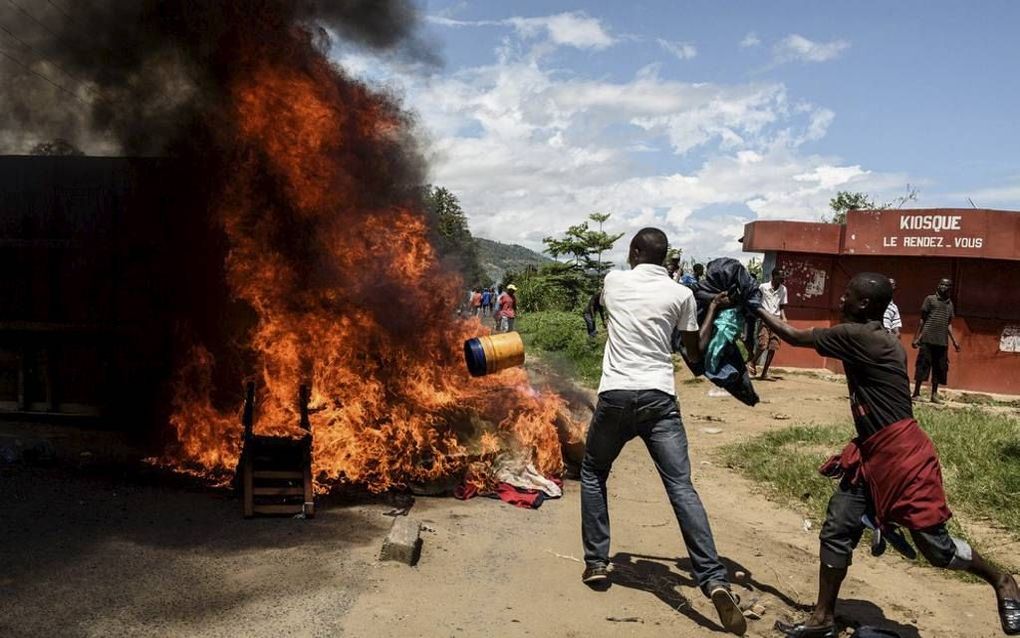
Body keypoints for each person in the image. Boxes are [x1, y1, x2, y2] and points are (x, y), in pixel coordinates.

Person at [755, 273, 1020, 638]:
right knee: (837, 527)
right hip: (870, 453)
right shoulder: (881, 336)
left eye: (846, 296)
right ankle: (822, 618)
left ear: (863, 304)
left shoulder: (858, 335)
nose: (841, 300)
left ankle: (1002, 580)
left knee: (936, 548)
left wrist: (752, 305)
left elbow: (793, 336)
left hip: (902, 457)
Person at [580, 227, 746, 636]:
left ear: (635, 252)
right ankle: (713, 579)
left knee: (593, 473)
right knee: (681, 487)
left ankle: (597, 563)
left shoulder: (614, 281)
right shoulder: (681, 295)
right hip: (658, 398)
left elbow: (600, 305)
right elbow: (693, 353)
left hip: (616, 395)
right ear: (665, 256)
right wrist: (712, 309)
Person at [911, 277, 960, 404]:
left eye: (947, 285)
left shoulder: (950, 304)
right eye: (942, 284)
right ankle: (916, 392)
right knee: (923, 366)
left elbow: (948, 324)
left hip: (942, 341)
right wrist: (917, 337)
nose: (944, 287)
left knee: (939, 368)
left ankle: (934, 395)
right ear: (938, 285)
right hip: (927, 339)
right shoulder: (930, 300)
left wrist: (954, 341)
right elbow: (922, 320)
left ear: (950, 288)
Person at [749, 268, 788, 380]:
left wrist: (784, 317)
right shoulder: (763, 287)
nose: (782, 278)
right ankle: (752, 362)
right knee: (762, 344)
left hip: (776, 319)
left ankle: (764, 372)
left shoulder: (783, 289)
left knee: (773, 346)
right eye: (780, 276)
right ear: (774, 276)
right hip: (765, 318)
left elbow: (782, 306)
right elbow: (756, 300)